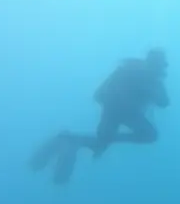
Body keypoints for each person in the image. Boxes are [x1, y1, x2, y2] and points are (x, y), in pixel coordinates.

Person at [29, 48, 170, 185]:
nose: (162, 68)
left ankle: (68, 140)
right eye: (160, 64)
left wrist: (153, 88)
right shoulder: (132, 72)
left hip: (124, 113)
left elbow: (164, 102)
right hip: (114, 110)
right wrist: (145, 92)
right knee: (109, 141)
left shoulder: (153, 79)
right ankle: (67, 140)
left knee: (108, 141)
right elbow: (113, 95)